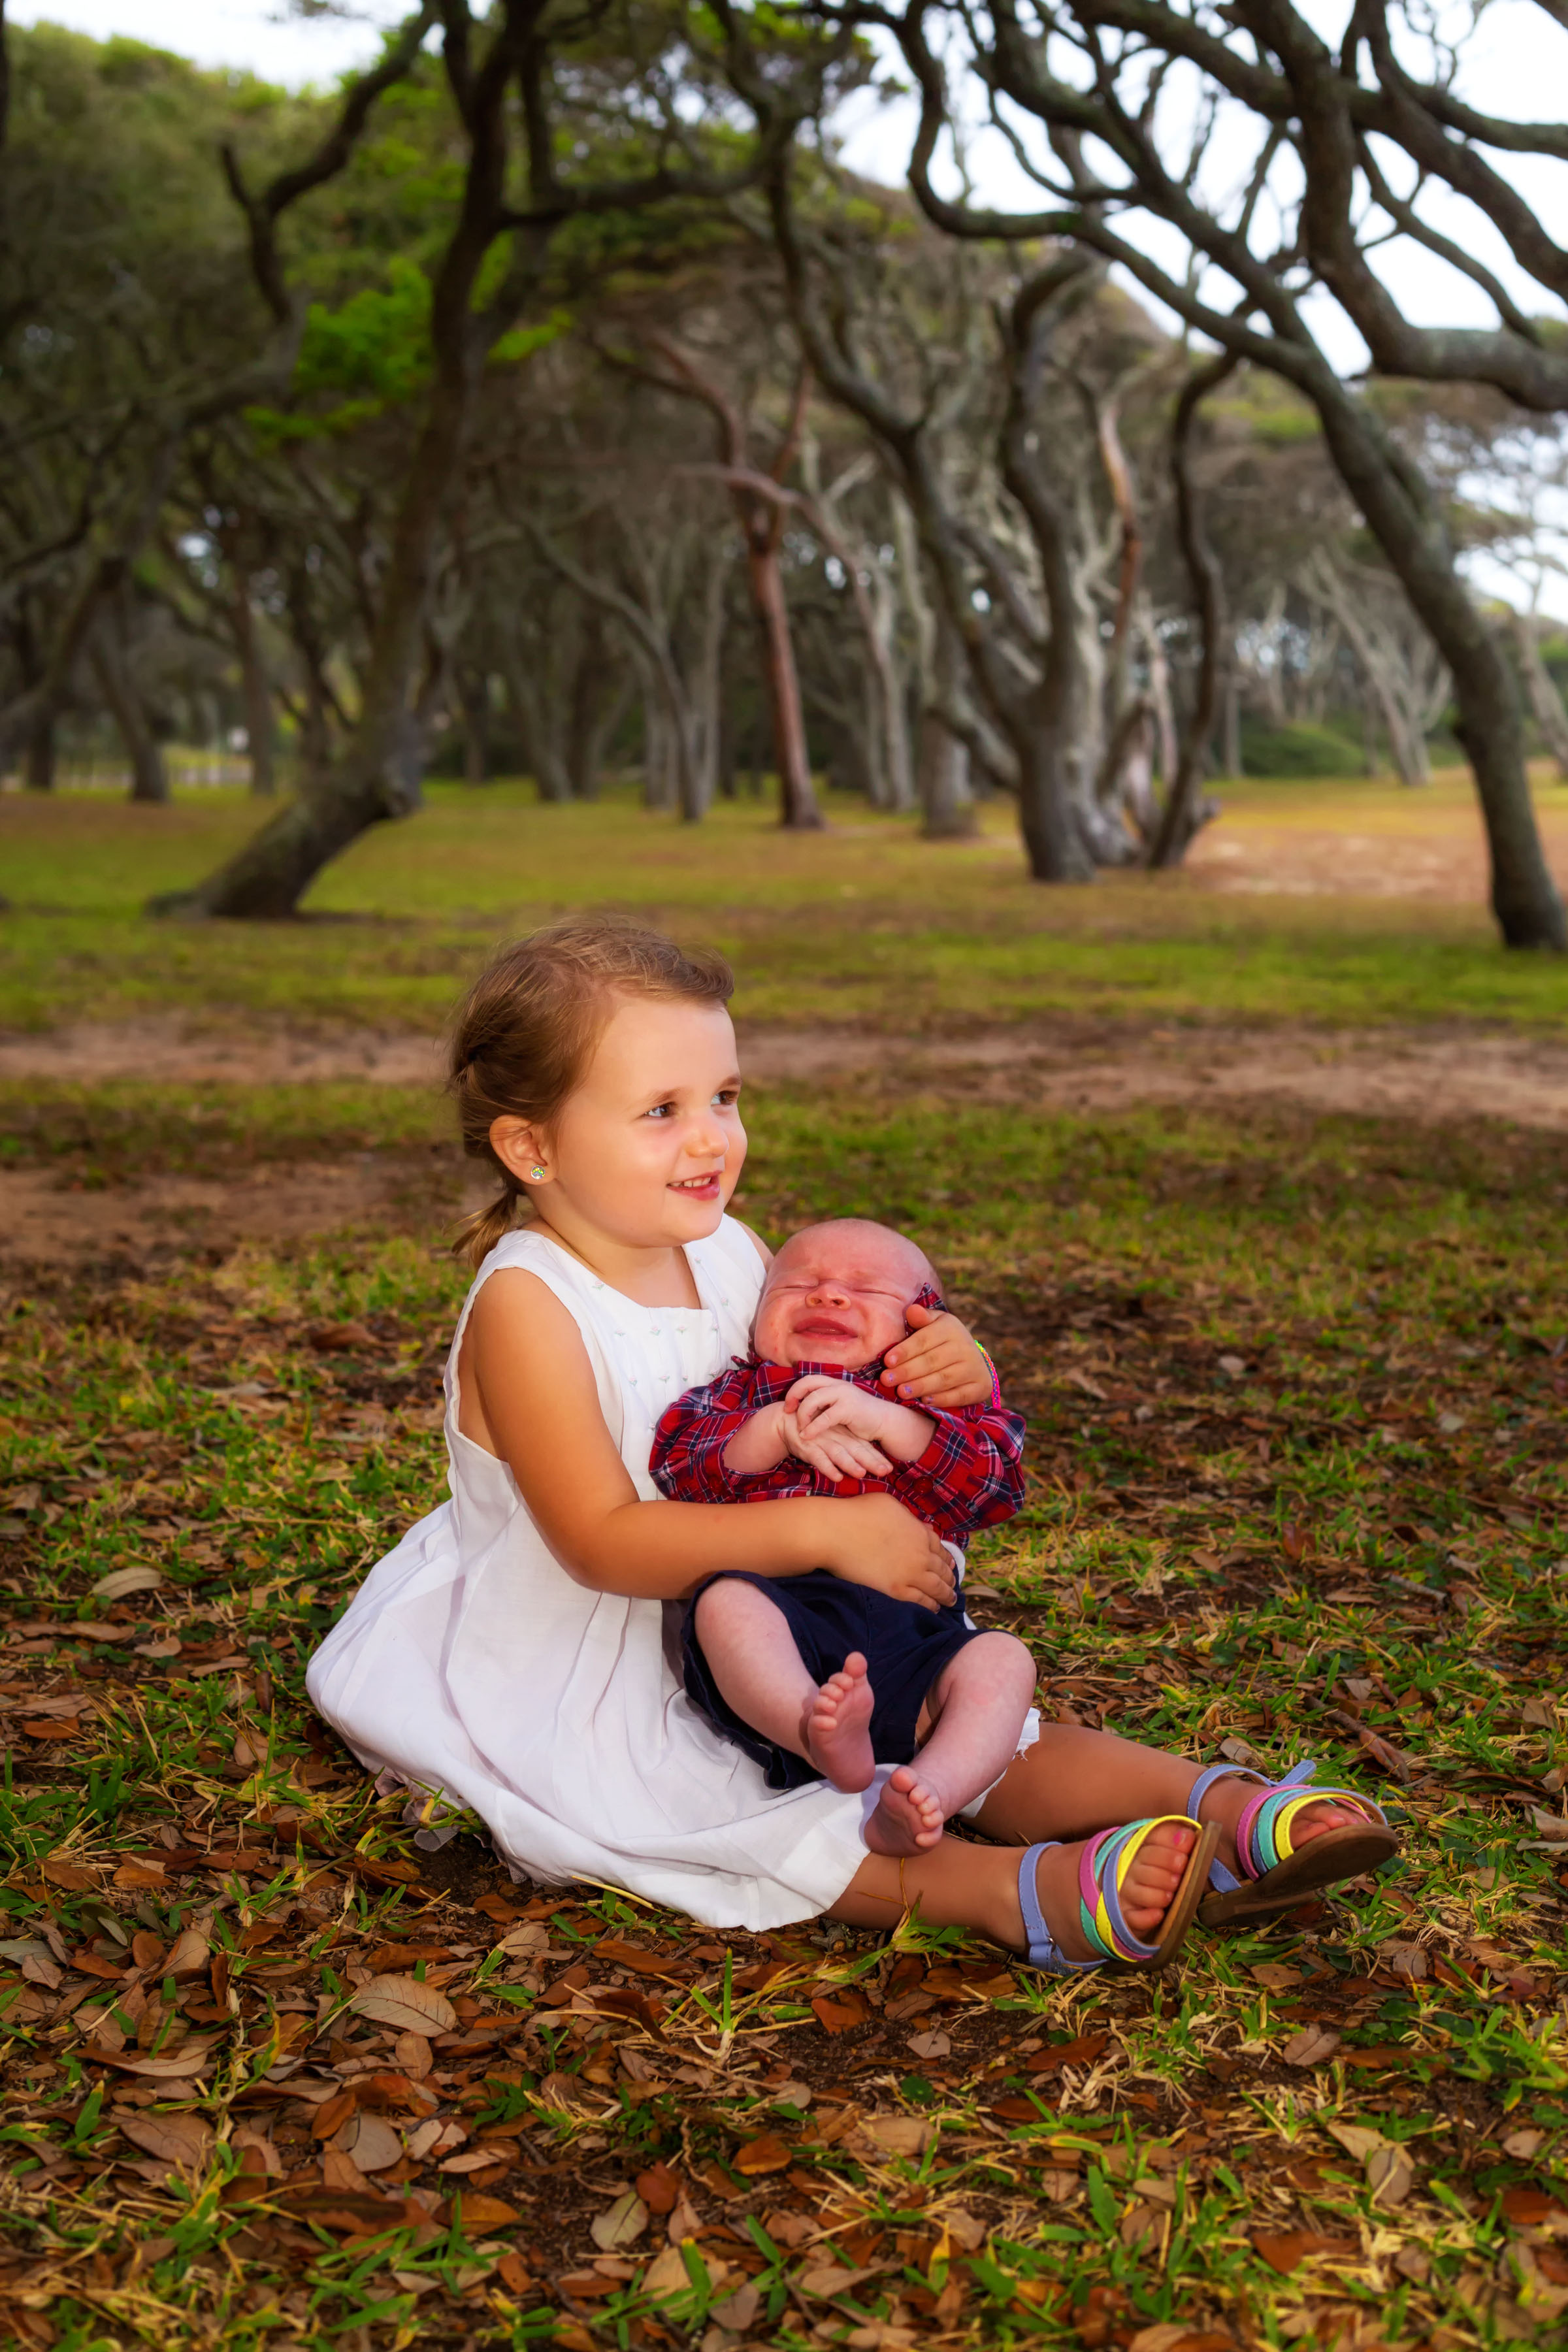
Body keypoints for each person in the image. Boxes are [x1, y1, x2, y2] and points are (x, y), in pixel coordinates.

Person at [306, 915, 1397, 1972]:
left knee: (966, 1719)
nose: (709, 1138)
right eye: (661, 1109)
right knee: (701, 1798)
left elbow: (832, 1381)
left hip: (788, 1610)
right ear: (531, 1145)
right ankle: (1015, 1895)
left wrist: (941, 1369)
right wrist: (830, 1529)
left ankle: (1233, 1808)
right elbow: (596, 1542)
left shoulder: (729, 1249)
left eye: (724, 1098)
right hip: (597, 1642)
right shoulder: (530, 1306)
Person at [651, 1218, 1037, 1859]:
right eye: (800, 1284)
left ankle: (928, 1790)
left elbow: (996, 1489)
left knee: (1003, 1663)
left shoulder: (935, 1408)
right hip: (781, 1612)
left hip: (917, 1636)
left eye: (865, 1289)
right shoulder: (740, 1394)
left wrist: (896, 1423)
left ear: (925, 1328)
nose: (828, 1296)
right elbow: (680, 1465)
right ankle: (814, 1729)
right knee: (725, 1606)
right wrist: (771, 1430)